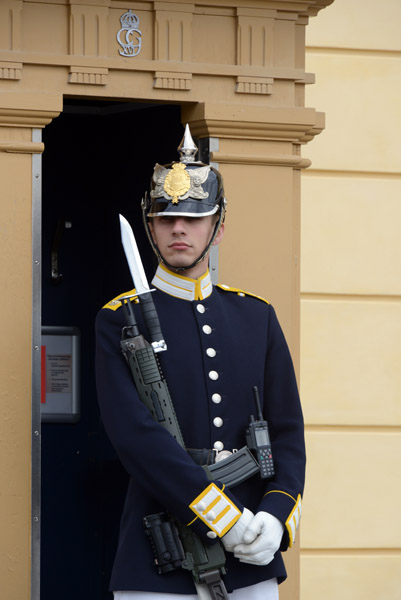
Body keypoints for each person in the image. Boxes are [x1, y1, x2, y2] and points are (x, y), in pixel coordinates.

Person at [95, 125, 306, 600]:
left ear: (218, 228)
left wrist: (276, 518)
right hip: (159, 556)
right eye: (166, 219)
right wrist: (220, 517)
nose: (179, 230)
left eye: (193, 219)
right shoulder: (119, 319)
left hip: (252, 552)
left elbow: (288, 433)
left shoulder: (257, 316)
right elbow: (136, 437)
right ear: (150, 228)